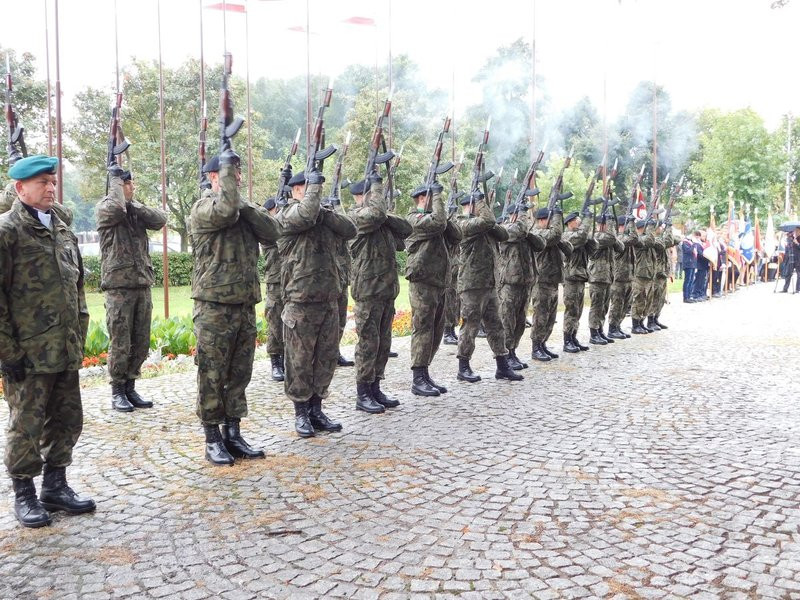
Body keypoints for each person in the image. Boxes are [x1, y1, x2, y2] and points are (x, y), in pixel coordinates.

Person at [1, 155, 95, 528]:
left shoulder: (62, 229)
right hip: (28, 351)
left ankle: (55, 486)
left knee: (68, 419)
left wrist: (80, 333)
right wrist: (8, 351)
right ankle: (24, 493)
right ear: (20, 188)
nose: (50, 188)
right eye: (42, 183)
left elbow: (78, 288)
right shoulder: (8, 231)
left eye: (53, 182)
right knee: (26, 424)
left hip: (63, 347)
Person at [190, 152, 280, 465]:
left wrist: (246, 205)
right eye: (230, 172)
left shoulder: (243, 209)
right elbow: (225, 209)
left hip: (243, 303)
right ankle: (212, 437)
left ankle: (233, 432)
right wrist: (236, 201)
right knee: (212, 373)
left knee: (239, 374)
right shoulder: (204, 208)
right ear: (213, 177)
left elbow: (273, 232)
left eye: (238, 172)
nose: (237, 177)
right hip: (213, 305)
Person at [277, 169, 357, 436]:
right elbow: (306, 214)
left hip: (328, 299)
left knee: (325, 358)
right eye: (309, 188)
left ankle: (316, 409)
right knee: (299, 361)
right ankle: (301, 412)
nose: (314, 193)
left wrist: (326, 212)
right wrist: (315, 197)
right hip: (300, 300)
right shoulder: (288, 215)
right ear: (296, 190)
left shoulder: (320, 216)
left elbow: (350, 229)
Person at [96, 165, 167, 412]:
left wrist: (133, 203)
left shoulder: (135, 210)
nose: (130, 187)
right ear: (115, 185)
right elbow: (116, 208)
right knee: (121, 341)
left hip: (142, 283)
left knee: (141, 340)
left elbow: (160, 219)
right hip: (118, 286)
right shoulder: (106, 208)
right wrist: (116, 185)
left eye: (130, 183)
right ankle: (117, 389)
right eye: (125, 184)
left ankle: (130, 386)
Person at [348, 173, 411, 412]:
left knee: (383, 343)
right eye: (372, 193)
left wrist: (386, 216)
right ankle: (362, 392)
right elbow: (375, 214)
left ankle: (375, 387)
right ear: (359, 197)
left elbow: (406, 229)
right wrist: (377, 192)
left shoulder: (380, 219)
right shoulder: (356, 218)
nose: (376, 198)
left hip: (385, 290)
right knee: (368, 343)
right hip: (367, 290)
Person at [455, 191, 522, 382]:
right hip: (472, 285)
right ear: (470, 206)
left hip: (489, 283)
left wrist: (486, 216)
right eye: (477, 204)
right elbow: (487, 220)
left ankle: (502, 365)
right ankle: (464, 366)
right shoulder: (463, 224)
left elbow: (503, 233)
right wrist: (482, 204)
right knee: (470, 326)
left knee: (496, 326)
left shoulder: (485, 225)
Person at [404, 182, 460, 396]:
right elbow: (437, 222)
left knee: (436, 331)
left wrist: (444, 211)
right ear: (421, 199)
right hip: (422, 280)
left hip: (438, 281)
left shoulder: (437, 219)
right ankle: (418, 377)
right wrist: (437, 198)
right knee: (423, 328)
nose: (437, 201)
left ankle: (425, 372)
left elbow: (457, 236)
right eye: (432, 197)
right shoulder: (414, 219)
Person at [498, 203, 543, 369]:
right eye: (523, 214)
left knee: (520, 321)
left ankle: (513, 351)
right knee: (507, 320)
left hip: (525, 282)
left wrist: (529, 234)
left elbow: (540, 245)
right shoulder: (506, 229)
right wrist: (523, 217)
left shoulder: (523, 232)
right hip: (509, 283)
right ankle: (505, 354)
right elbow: (518, 231)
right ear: (514, 216)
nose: (526, 217)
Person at [530, 206, 567, 361]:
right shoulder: (538, 233)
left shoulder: (550, 234)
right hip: (541, 280)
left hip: (552, 279)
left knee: (550, 317)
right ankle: (536, 347)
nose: (553, 223)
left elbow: (564, 243)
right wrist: (558, 215)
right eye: (550, 220)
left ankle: (543, 344)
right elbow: (555, 234)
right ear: (542, 221)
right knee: (541, 316)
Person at [561, 210, 595, 352]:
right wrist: (588, 220)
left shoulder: (579, 236)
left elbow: (593, 248)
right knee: (571, 310)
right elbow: (581, 236)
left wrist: (591, 238)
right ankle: (567, 340)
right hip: (570, 277)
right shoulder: (567, 236)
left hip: (579, 276)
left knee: (578, 310)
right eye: (577, 220)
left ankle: (573, 337)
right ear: (569, 223)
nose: (580, 222)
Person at [587, 213, 624, 344]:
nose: (608, 227)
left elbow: (621, 247)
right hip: (597, 276)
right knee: (596, 306)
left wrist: (613, 234)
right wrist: (611, 226)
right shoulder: (596, 236)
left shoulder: (608, 237)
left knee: (604, 306)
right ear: (600, 225)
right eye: (606, 224)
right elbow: (611, 238)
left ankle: (600, 330)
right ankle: (593, 332)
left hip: (607, 276)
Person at [261, 197, 286, 381]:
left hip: (290, 279)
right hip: (275, 280)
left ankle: (287, 359)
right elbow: (275, 234)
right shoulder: (267, 228)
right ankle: (276, 362)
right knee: (275, 321)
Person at [607, 215, 638, 339]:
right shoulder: (618, 238)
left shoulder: (623, 237)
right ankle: (612, 328)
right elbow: (634, 238)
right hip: (618, 277)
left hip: (627, 276)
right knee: (617, 304)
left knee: (624, 304)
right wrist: (631, 223)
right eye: (624, 226)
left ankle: (618, 326)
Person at [630, 219, 659, 334]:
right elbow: (650, 241)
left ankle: (641, 322)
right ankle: (635, 324)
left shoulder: (647, 238)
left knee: (646, 301)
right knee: (638, 300)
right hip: (639, 275)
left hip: (648, 275)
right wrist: (651, 228)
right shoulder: (638, 240)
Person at [646, 220, 676, 330]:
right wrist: (668, 228)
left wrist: (669, 231)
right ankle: (650, 320)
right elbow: (667, 241)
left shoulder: (660, 238)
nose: (661, 229)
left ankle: (655, 318)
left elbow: (673, 240)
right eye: (660, 227)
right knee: (654, 298)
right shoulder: (655, 240)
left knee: (660, 298)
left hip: (663, 272)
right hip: (656, 273)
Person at [442, 193, 463, 345]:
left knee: (455, 302)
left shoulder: (454, 228)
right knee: (448, 302)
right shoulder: (443, 227)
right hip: (447, 270)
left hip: (456, 270)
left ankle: (451, 330)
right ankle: (447, 332)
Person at [780, 228, 800, 293]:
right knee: (788, 274)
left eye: (797, 231)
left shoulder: (797, 240)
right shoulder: (792, 238)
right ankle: (785, 289)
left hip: (798, 259)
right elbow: (789, 249)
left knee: (799, 274)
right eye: (795, 231)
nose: (796, 232)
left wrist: (797, 243)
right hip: (791, 259)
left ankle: (797, 289)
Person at [681, 232, 699, 303]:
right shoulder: (685, 243)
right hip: (688, 263)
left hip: (692, 263)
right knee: (687, 280)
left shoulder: (691, 243)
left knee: (691, 280)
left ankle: (689, 295)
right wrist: (694, 244)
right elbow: (688, 251)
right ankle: (686, 297)